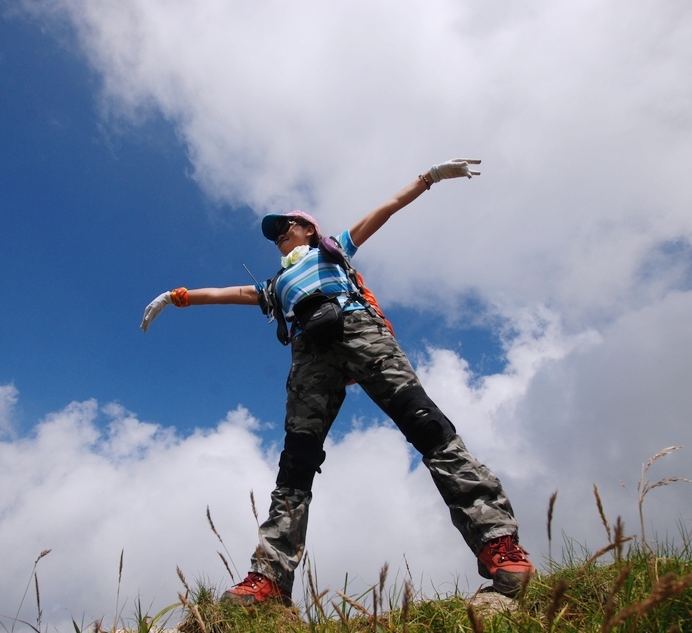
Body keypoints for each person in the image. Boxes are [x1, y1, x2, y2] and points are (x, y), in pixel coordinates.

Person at [140, 158, 534, 603]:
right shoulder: (276, 284)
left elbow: (384, 210)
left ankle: (499, 544)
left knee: (426, 425)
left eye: (286, 225)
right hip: (309, 355)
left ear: (308, 228)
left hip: (359, 329)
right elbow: (229, 293)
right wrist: (179, 298)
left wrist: (429, 178)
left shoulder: (333, 249)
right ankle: (268, 580)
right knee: (296, 463)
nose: (278, 234)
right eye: (274, 233)